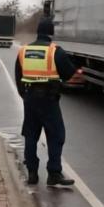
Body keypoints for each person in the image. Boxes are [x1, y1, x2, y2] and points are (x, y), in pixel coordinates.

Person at [15, 18, 81, 186]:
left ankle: (32, 173)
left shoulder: (24, 51)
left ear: (38, 32)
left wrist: (25, 95)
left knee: (30, 135)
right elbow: (68, 73)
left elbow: (18, 77)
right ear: (51, 33)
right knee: (56, 135)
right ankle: (54, 173)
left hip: (30, 99)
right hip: (49, 100)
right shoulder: (55, 52)